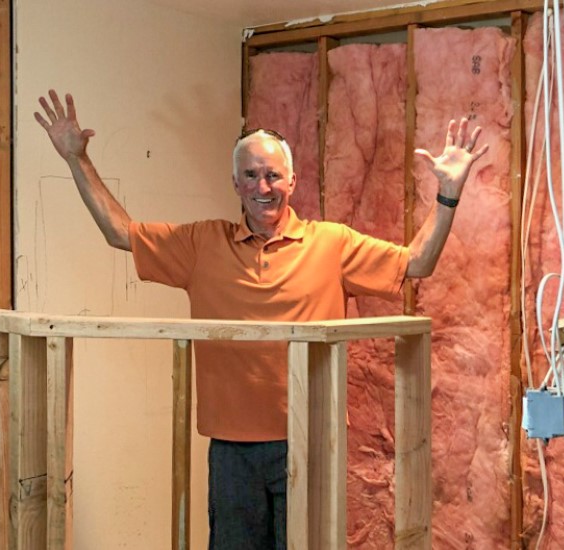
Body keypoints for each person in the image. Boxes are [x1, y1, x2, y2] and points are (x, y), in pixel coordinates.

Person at [35, 89, 488, 550]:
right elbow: (120, 233)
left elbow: (416, 263)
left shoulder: (331, 244)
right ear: (235, 183)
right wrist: (77, 160)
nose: (262, 187)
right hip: (232, 451)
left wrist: (447, 195)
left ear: (292, 181)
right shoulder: (202, 245)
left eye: (272, 175)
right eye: (250, 175)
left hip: (313, 443)